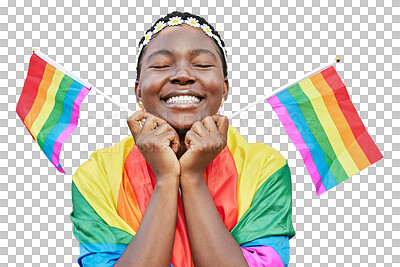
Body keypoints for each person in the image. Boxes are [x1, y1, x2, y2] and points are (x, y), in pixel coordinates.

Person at [70, 11, 295, 267]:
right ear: (138, 90)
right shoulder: (97, 175)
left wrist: (192, 177)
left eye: (201, 64)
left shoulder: (265, 167)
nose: (183, 75)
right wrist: (166, 178)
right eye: (161, 65)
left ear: (224, 88)